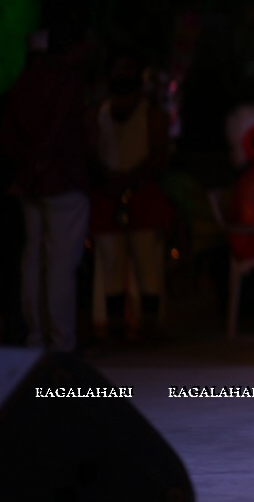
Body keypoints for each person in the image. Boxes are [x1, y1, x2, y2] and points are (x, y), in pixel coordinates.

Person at [0, 28, 90, 352]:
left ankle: (37, 337)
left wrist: (27, 168)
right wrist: (42, 162)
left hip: (30, 184)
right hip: (60, 182)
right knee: (60, 264)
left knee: (34, 259)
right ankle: (61, 341)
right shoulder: (64, 82)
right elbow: (61, 130)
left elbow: (7, 138)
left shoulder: (21, 85)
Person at [89, 49, 172, 342]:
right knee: (111, 262)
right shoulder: (99, 114)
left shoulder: (151, 114)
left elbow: (159, 154)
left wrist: (131, 178)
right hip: (108, 196)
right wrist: (108, 178)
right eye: (117, 68)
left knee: (147, 261)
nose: (122, 74)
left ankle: (150, 323)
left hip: (142, 194)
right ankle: (113, 325)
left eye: (128, 68)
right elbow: (91, 150)